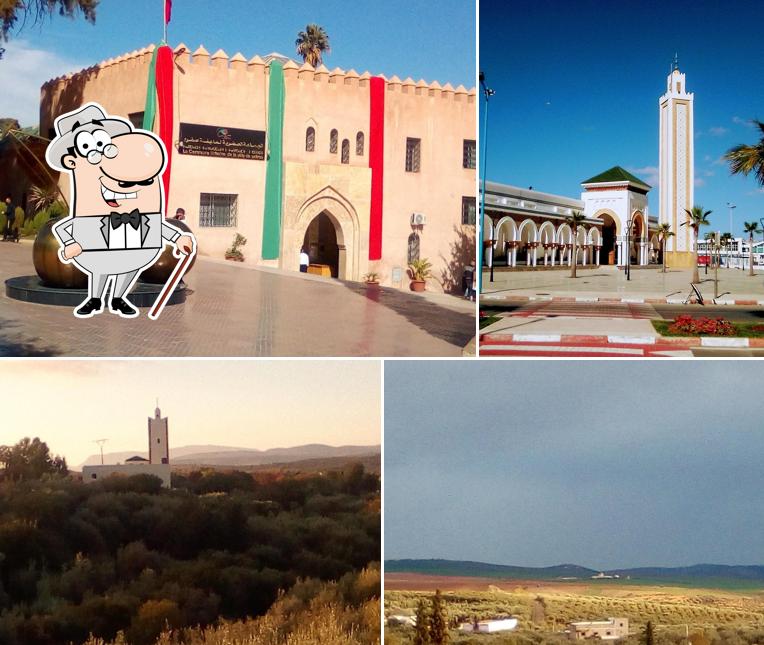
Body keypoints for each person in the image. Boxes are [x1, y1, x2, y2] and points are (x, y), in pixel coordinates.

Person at [46, 103, 195, 319]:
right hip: (97, 252)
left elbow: (156, 226)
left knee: (129, 267)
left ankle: (118, 297)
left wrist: (179, 237)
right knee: (100, 267)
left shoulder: (128, 178)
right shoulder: (90, 193)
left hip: (135, 251)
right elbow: (63, 228)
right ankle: (95, 298)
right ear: (72, 160)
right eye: (90, 149)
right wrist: (72, 244)